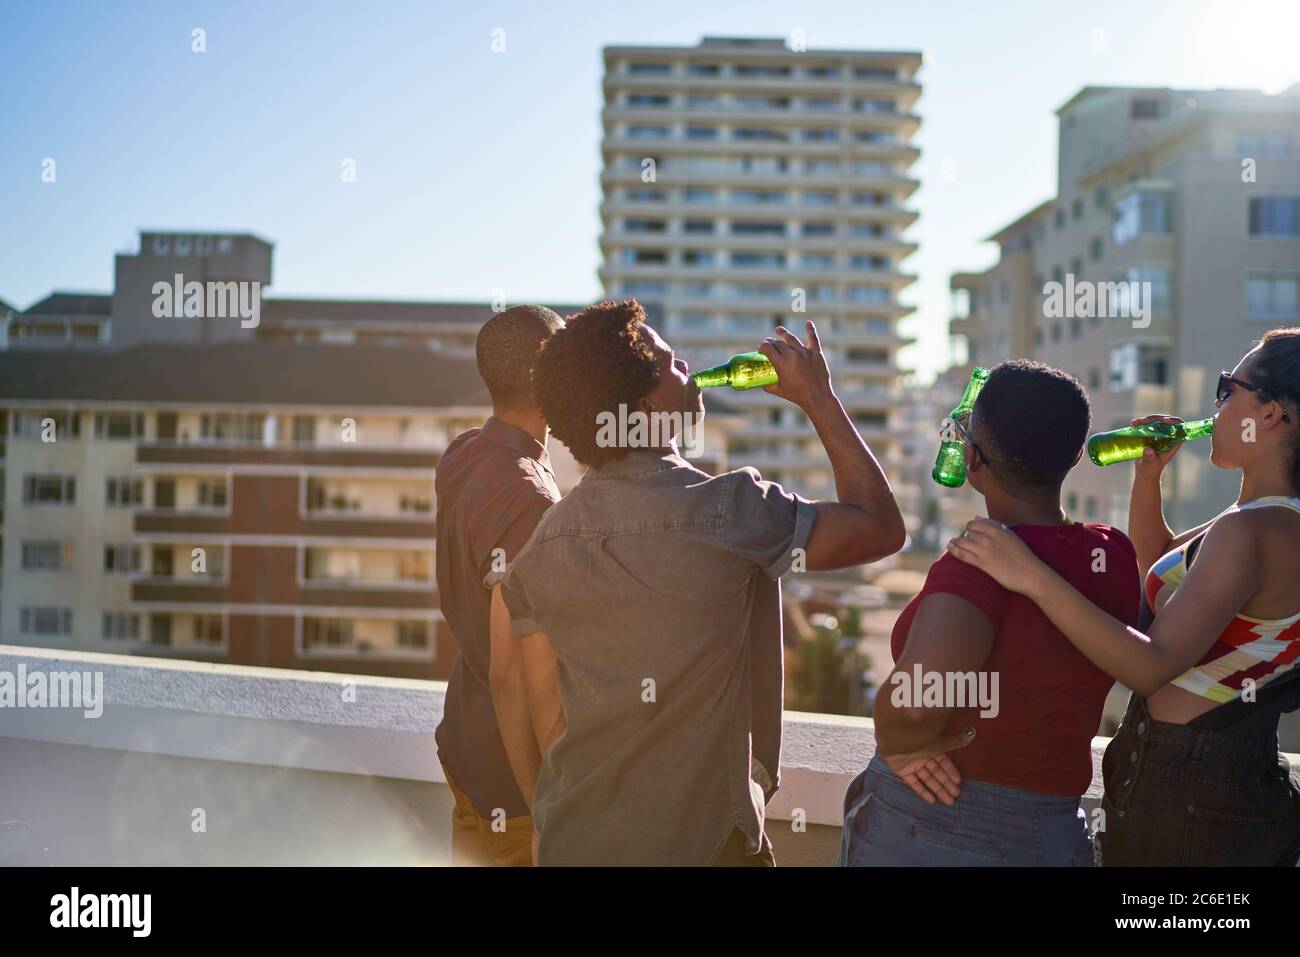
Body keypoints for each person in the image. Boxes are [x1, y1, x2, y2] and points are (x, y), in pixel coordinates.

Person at [499, 299, 905, 866]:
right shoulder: (731, 509)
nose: (689, 369)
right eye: (671, 364)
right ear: (646, 406)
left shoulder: (542, 548)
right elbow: (881, 528)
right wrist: (819, 398)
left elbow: (541, 701)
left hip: (575, 839)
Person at [948, 329, 1300, 866]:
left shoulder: (1252, 531)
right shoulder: (1261, 520)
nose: (1217, 405)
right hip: (1208, 779)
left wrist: (1030, 574)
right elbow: (1158, 564)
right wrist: (1149, 476)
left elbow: (1149, 666)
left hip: (1192, 785)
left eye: (1228, 389)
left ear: (1271, 413)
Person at [840, 360, 1141, 867]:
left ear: (974, 461)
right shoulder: (1111, 554)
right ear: (1071, 457)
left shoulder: (979, 563)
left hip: (935, 826)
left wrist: (899, 743)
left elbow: (916, 701)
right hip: (1052, 831)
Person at [433, 304, 564, 866]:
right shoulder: (530, 503)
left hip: (464, 748)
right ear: (551, 379)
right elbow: (514, 676)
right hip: (513, 786)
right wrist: (542, 809)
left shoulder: (461, 454)